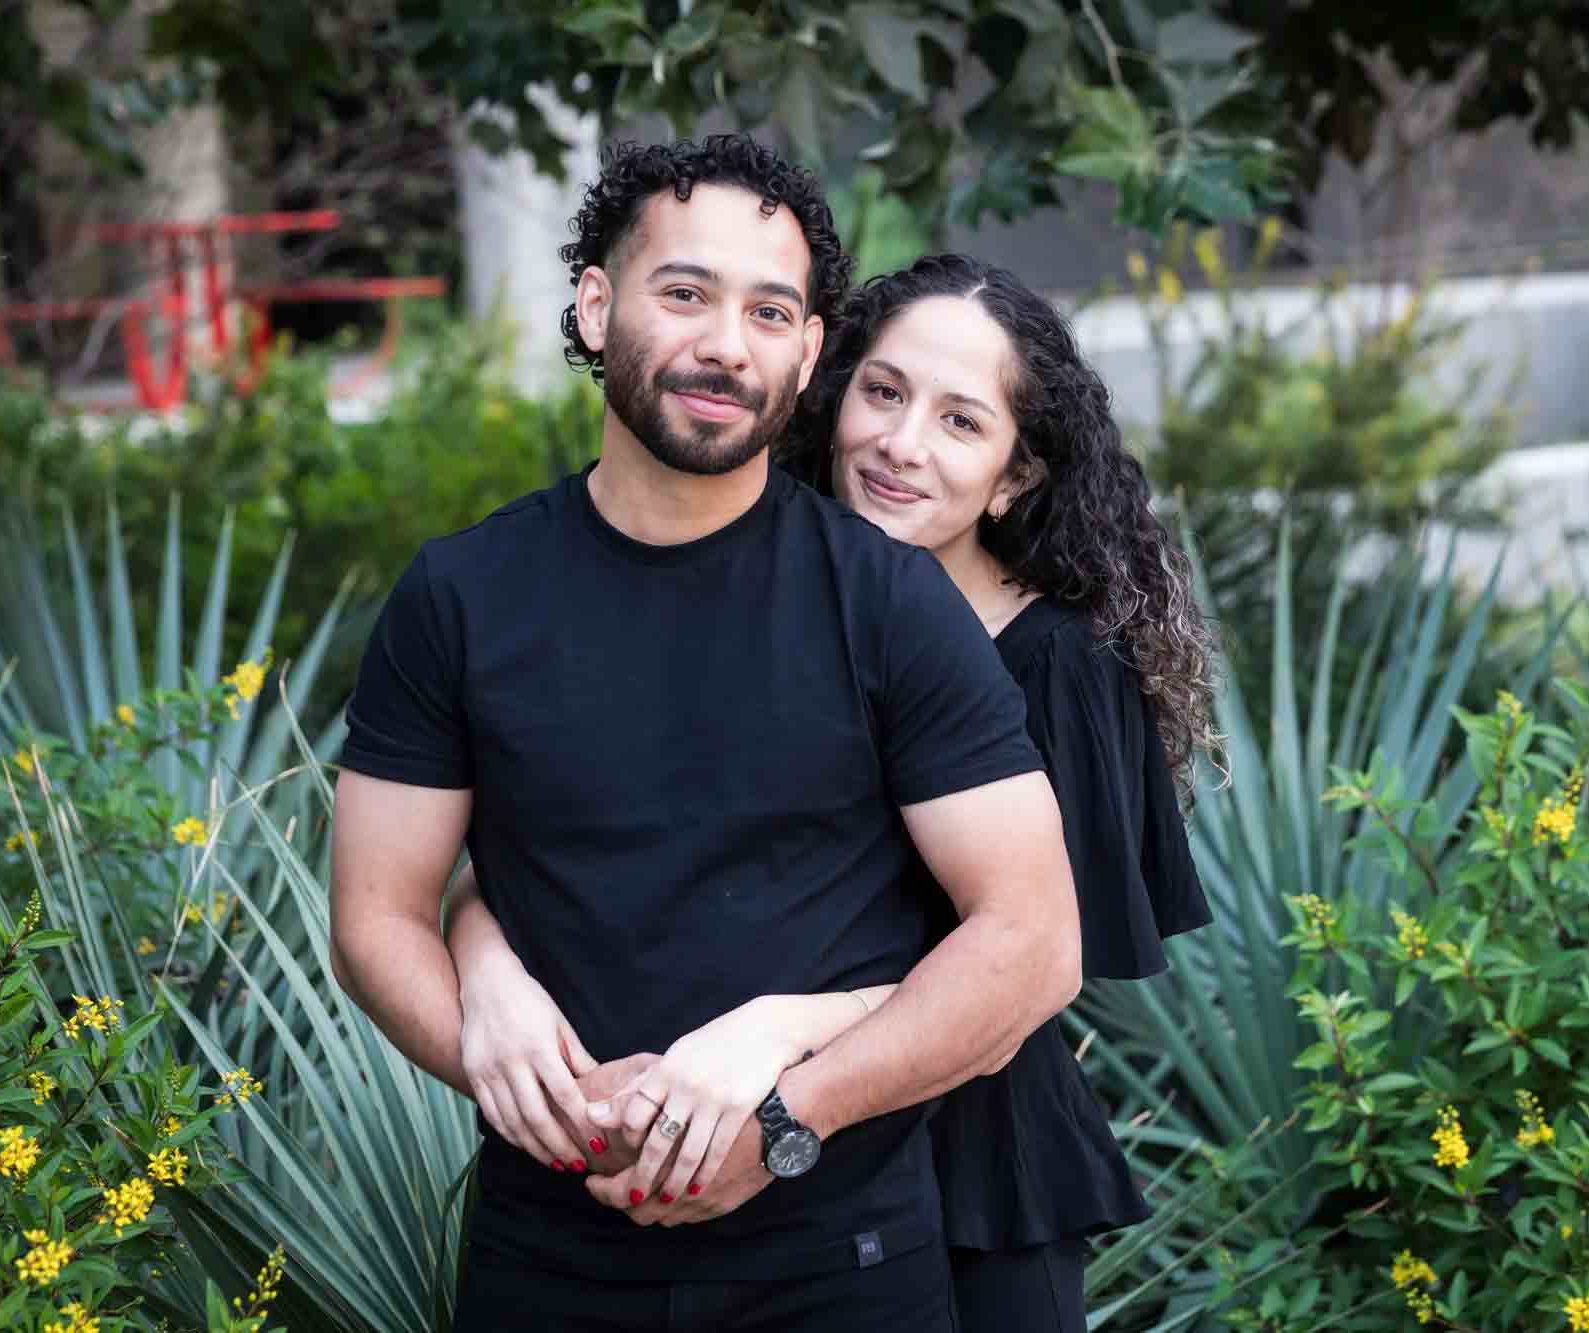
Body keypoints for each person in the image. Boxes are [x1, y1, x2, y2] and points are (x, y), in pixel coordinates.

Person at [327, 135, 1083, 1333]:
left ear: (808, 350)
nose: (727, 344)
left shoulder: (889, 604)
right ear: (596, 302)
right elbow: (374, 913)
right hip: (547, 1264)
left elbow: (1034, 944)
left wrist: (786, 1122)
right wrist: (510, 1068)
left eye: (770, 311)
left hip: (843, 1266)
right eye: (685, 292)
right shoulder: (461, 596)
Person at [448, 253, 1220, 1331]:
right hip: (708, 1171)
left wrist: (780, 1026)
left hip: (968, 1163)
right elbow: (550, 853)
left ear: (1012, 475)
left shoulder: (1056, 665)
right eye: (885, 392)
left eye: (960, 423)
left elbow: (1033, 962)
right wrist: (485, 975)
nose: (902, 447)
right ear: (829, 391)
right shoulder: (746, 594)